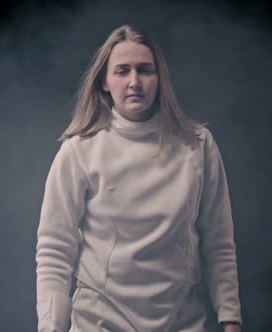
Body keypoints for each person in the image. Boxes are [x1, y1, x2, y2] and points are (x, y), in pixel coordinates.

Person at [36, 24, 242, 332]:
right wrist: (51, 327)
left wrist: (231, 319)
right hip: (98, 324)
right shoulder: (79, 150)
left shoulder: (197, 145)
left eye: (145, 70)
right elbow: (55, 250)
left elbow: (218, 243)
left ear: (159, 79)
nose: (135, 82)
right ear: (104, 81)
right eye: (122, 71)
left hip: (181, 324)